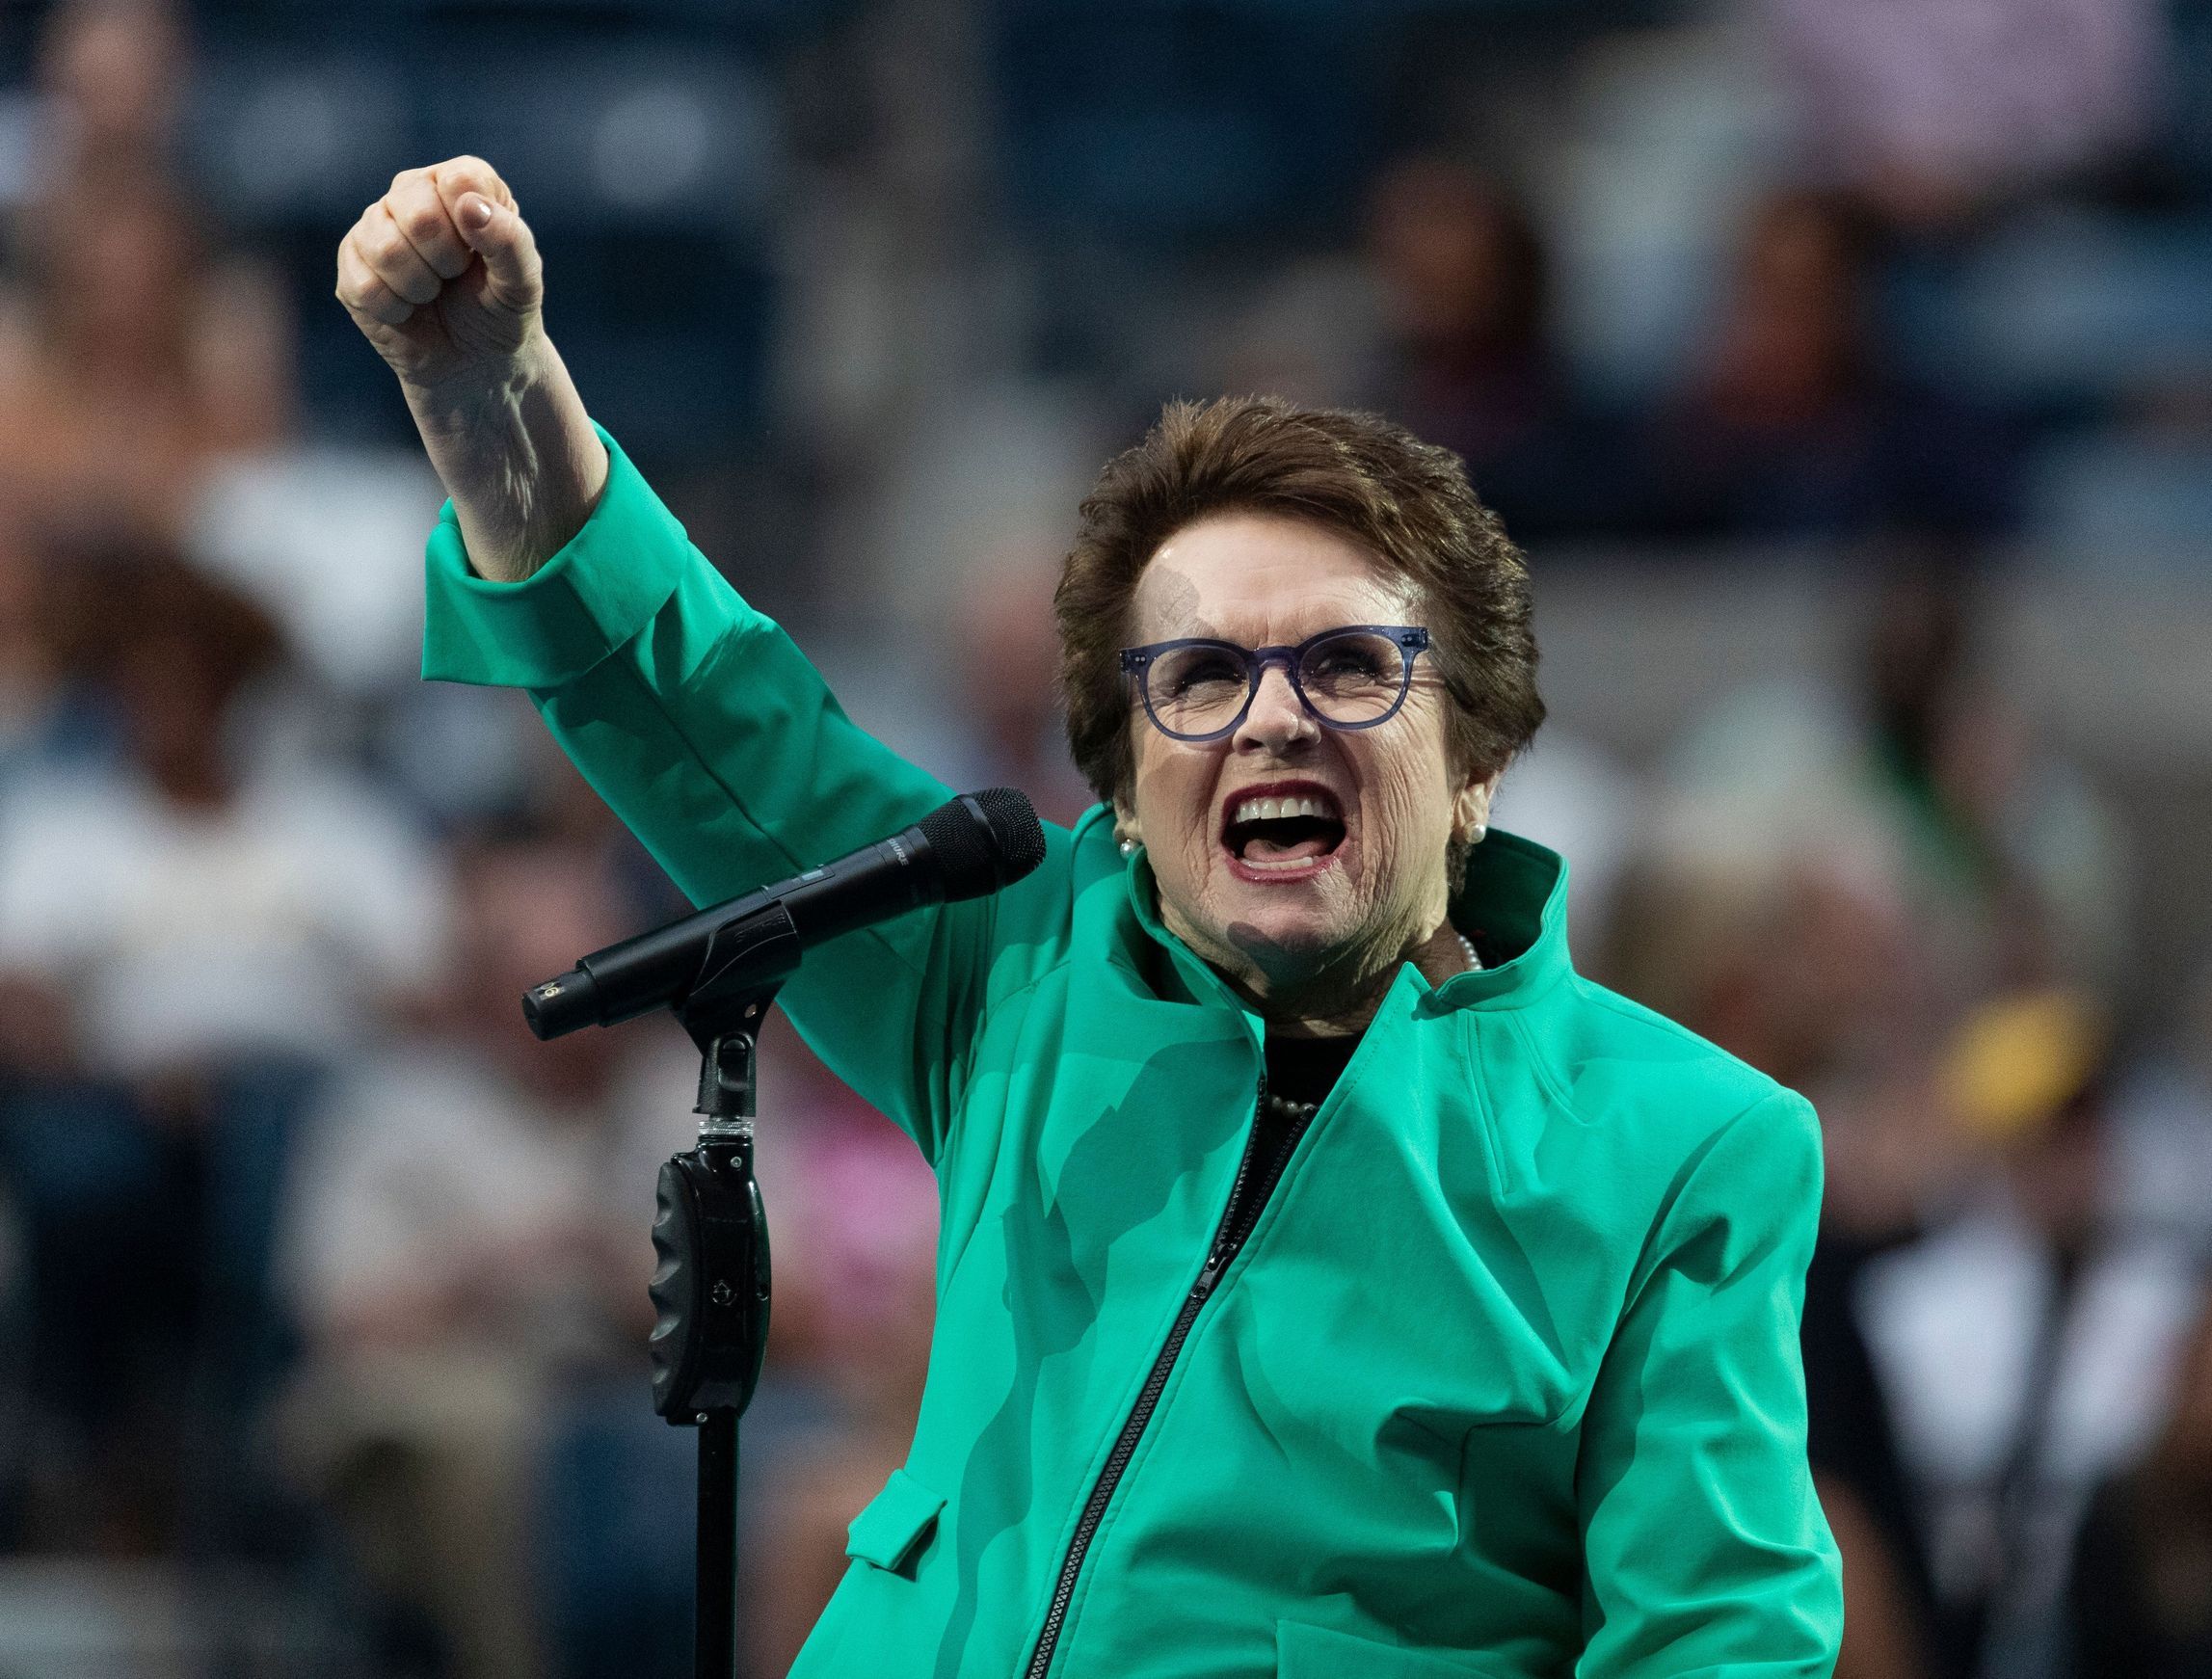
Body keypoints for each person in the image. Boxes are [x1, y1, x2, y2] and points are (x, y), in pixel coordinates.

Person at [337, 155, 1842, 1678]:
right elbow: (713, 717)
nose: (1270, 721)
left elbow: (1719, 1643)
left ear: (1478, 759)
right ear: (1123, 796)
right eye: (1198, 678)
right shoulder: (1011, 969)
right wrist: (491, 398)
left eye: (1347, 666)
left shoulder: (1683, 1146)